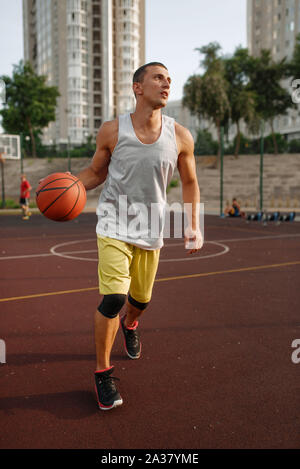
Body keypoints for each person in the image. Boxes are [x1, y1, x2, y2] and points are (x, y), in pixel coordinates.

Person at [77, 62, 203, 410]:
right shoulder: (112, 130)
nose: (166, 84)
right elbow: (95, 172)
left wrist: (194, 224)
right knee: (114, 298)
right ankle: (103, 374)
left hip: (151, 227)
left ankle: (131, 325)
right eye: (158, 78)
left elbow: (190, 182)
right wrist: (73, 184)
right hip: (114, 225)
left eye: (169, 80)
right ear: (137, 87)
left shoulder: (180, 135)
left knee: (140, 301)